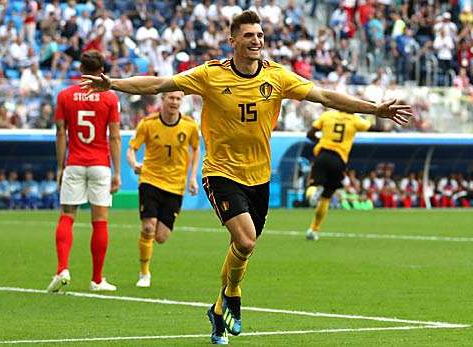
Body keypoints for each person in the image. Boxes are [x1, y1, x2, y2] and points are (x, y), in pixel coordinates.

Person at [79, 10, 411, 345]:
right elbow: (159, 83)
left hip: (259, 177)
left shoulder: (277, 77)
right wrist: (115, 85)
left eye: (260, 36)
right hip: (221, 172)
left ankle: (218, 311)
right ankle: (233, 295)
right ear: (233, 40)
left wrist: (374, 108)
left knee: (241, 247)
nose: (256, 41)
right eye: (249, 35)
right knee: (247, 240)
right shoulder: (210, 75)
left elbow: (325, 96)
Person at [46, 51, 121, 293]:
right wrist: (117, 172)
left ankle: (62, 269)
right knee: (100, 220)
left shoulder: (65, 96)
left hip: (75, 162)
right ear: (101, 71)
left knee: (67, 215)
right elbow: (115, 137)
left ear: (80, 69)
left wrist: (60, 167)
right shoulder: (109, 98)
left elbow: (60, 133)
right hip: (100, 164)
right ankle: (97, 280)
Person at [127, 91, 200, 288]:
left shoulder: (190, 125)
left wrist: (192, 177)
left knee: (161, 237)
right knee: (148, 227)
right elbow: (131, 148)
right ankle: (144, 273)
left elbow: (195, 148)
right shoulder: (148, 123)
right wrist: (134, 163)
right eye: (171, 98)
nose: (174, 102)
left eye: (178, 99)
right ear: (163, 100)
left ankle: (148, 260)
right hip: (150, 180)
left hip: (175, 185)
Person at [304, 109, 371, 241]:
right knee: (326, 198)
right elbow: (371, 126)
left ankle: (313, 193)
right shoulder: (354, 119)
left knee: (313, 185)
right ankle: (313, 229)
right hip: (339, 160)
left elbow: (310, 134)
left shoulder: (327, 115)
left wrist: (321, 140)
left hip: (323, 154)